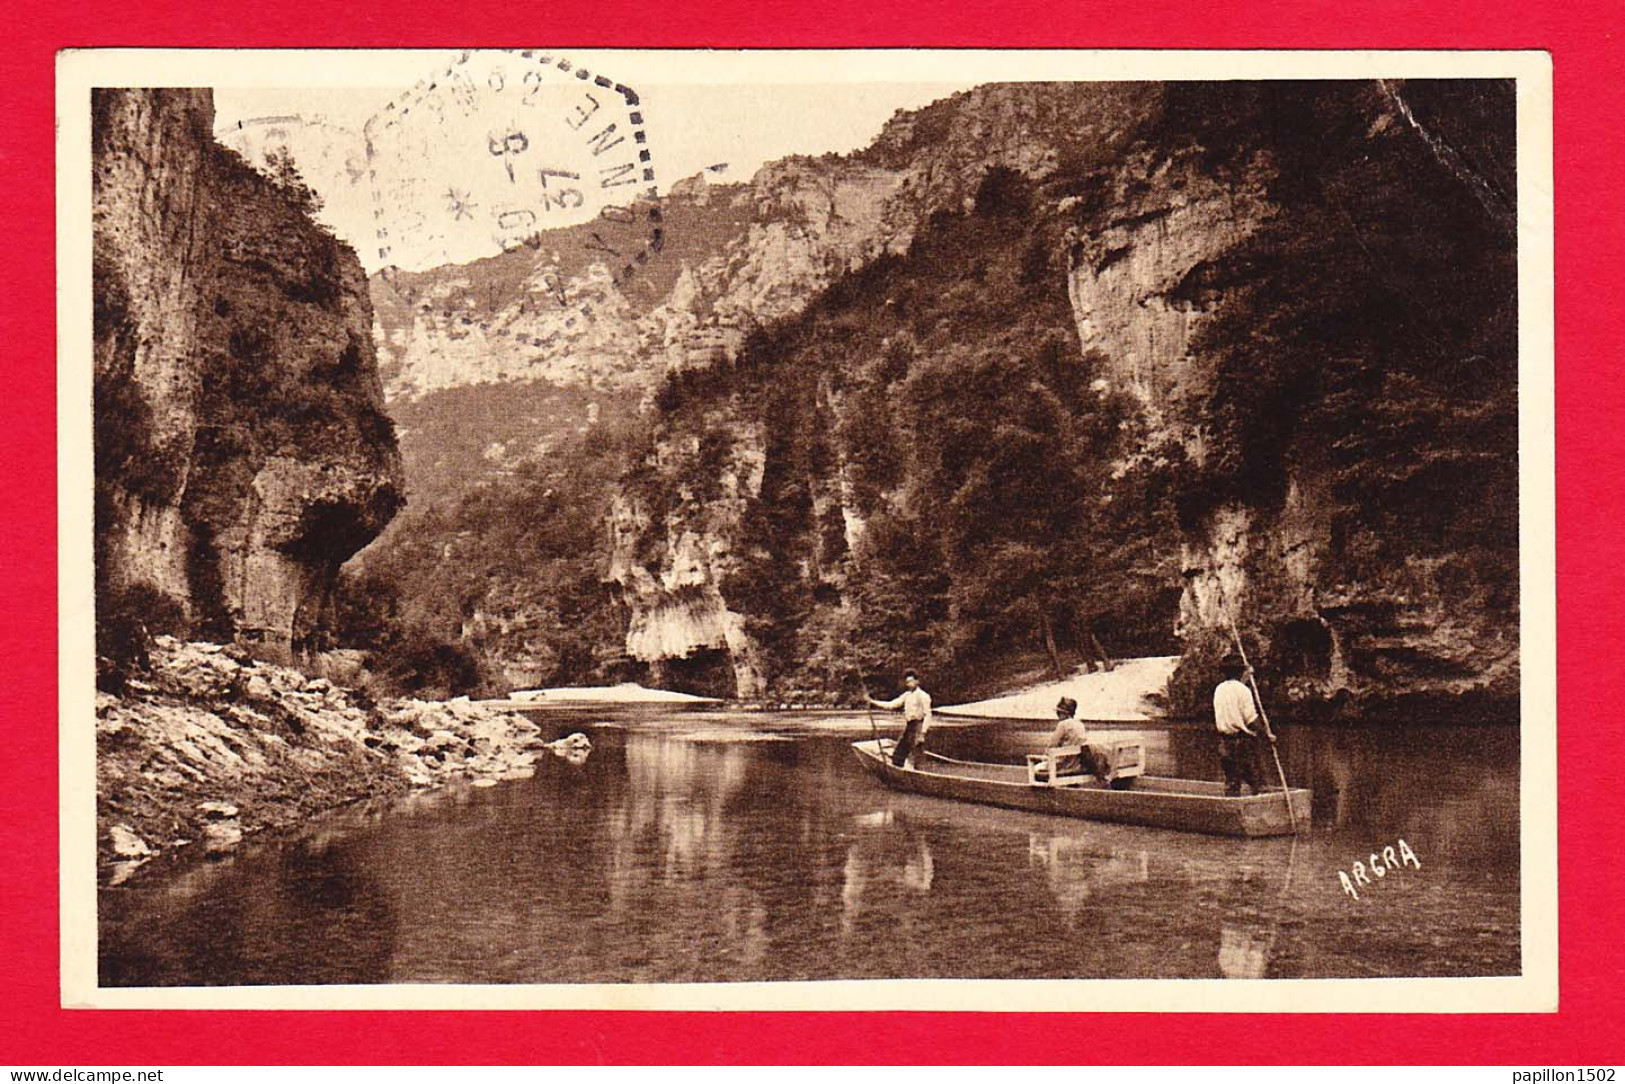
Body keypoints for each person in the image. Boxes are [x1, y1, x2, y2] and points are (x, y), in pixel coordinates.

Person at [1214, 652, 1273, 797]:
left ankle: (1232, 810)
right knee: (1258, 781)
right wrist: (1267, 735)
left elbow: (1234, 694)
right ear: (1240, 672)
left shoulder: (1219, 689)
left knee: (1232, 782)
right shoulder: (1243, 691)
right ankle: (1261, 810)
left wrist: (1245, 677)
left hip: (1225, 743)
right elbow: (1251, 720)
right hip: (1242, 744)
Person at [1036, 696, 1113, 783]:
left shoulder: (1063, 725)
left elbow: (1052, 746)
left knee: (1036, 769)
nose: (1058, 716)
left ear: (1064, 713)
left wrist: (1043, 758)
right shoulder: (1080, 724)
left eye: (1059, 713)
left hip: (1064, 764)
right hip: (1076, 764)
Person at [869, 670, 932, 767]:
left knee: (917, 750)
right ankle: (897, 767)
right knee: (900, 752)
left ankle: (920, 772)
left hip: (918, 725)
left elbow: (928, 715)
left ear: (917, 681)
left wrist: (922, 733)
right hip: (910, 725)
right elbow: (892, 704)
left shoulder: (923, 696)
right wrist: (872, 701)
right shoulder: (907, 695)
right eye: (907, 682)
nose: (909, 684)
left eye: (911, 681)